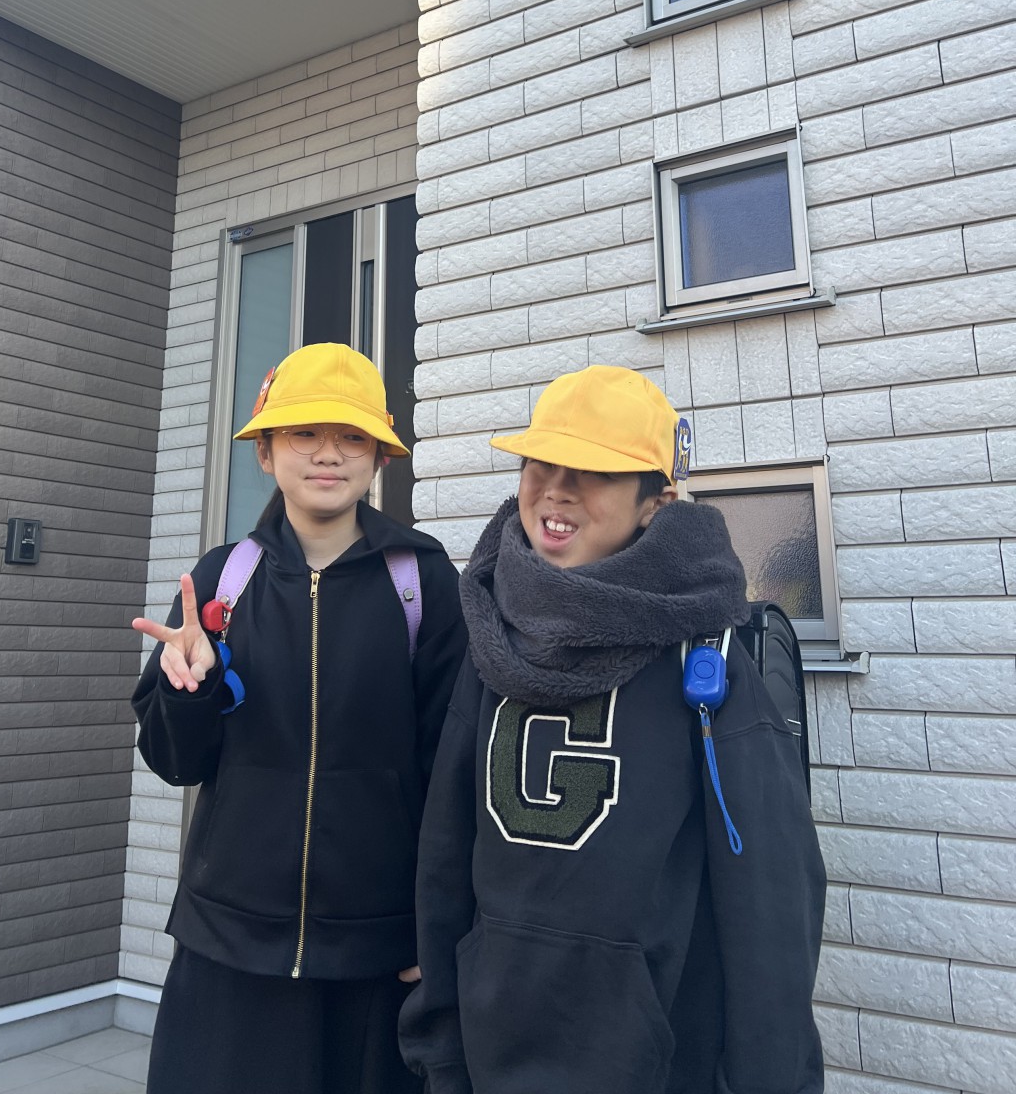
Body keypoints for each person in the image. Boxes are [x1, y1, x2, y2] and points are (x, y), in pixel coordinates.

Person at [399, 365, 825, 1094]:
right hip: (491, 1058)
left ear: (657, 502)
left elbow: (771, 905)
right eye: (540, 463)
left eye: (594, 472)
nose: (556, 490)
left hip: (655, 1067)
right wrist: (440, 1049)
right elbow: (445, 857)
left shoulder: (707, 657)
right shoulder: (491, 638)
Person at [133, 342, 467, 1094]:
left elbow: (452, 769)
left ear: (379, 456)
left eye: (352, 436)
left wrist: (435, 926)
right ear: (265, 452)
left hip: (376, 950)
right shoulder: (223, 579)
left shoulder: (422, 581)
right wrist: (188, 691)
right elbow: (175, 762)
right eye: (303, 433)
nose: (328, 453)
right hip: (228, 939)